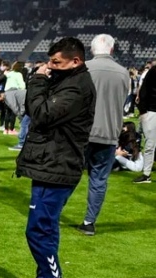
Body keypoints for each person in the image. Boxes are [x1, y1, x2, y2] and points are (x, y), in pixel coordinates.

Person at [12, 37, 96, 278]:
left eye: (56, 62)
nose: (50, 66)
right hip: (50, 163)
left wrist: (37, 81)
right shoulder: (68, 81)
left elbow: (41, 114)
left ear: (76, 61)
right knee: (45, 229)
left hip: (58, 168)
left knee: (38, 230)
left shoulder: (78, 87)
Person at [76, 34, 130, 237]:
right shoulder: (123, 73)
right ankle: (89, 222)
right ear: (112, 50)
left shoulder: (84, 69)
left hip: (82, 133)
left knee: (68, 176)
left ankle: (51, 215)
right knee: (98, 180)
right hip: (109, 133)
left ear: (91, 50)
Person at [133, 57, 156, 184]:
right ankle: (146, 174)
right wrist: (143, 112)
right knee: (150, 143)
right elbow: (144, 91)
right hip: (152, 111)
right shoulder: (153, 71)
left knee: (150, 143)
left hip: (151, 111)